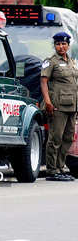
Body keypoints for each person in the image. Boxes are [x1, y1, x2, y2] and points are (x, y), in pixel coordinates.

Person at [40, 32, 78, 181]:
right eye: (57, 44)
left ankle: (61, 167)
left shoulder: (72, 62)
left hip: (72, 106)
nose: (61, 47)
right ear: (54, 45)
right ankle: (52, 169)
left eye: (63, 44)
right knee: (55, 138)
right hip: (58, 106)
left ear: (68, 45)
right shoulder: (51, 62)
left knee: (68, 138)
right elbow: (43, 82)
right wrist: (48, 102)